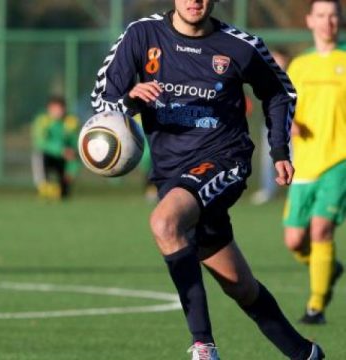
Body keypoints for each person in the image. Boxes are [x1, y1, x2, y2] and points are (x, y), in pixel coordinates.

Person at [91, 0, 324, 359]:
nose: (194, 0)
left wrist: (280, 150)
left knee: (165, 222)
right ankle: (306, 354)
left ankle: (203, 347)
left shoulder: (240, 46)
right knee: (240, 286)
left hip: (224, 159)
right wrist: (129, 100)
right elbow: (102, 102)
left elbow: (279, 91)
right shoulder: (141, 35)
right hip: (170, 173)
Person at [283, 0, 345, 325]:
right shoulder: (300, 65)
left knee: (321, 229)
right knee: (295, 240)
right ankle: (328, 268)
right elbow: (285, 105)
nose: (327, 22)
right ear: (310, 21)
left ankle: (316, 305)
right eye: (321, 15)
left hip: (339, 160)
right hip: (305, 163)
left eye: (333, 15)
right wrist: (289, 121)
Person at [251, 50, 290, 205]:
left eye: (279, 58)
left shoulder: (294, 76)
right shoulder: (264, 77)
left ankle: (294, 189)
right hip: (270, 126)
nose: (276, 62)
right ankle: (268, 190)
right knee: (269, 159)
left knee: (294, 159)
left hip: (293, 127)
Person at [30, 95, 79, 200]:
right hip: (47, 156)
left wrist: (71, 171)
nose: (58, 112)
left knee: (63, 195)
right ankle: (43, 185)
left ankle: (61, 188)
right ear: (49, 109)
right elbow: (40, 142)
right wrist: (61, 150)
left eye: (60, 108)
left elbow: (75, 148)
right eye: (54, 109)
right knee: (38, 155)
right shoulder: (42, 121)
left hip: (63, 160)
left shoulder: (71, 122)